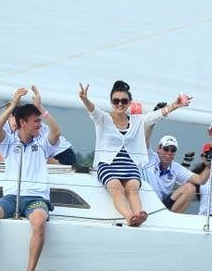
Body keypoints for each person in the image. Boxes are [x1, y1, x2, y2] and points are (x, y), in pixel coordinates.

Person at [0, 86, 60, 271]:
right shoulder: (8, 142)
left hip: (36, 198)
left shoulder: (42, 143)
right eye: (36, 121)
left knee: (39, 221)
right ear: (23, 122)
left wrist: (41, 108)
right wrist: (13, 105)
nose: (40, 125)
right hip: (11, 197)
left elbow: (56, 132)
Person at [78, 80, 189, 226]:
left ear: (130, 102)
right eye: (116, 100)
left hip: (130, 165)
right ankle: (130, 217)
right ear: (111, 102)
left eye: (124, 101)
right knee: (116, 188)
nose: (120, 104)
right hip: (107, 165)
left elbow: (156, 115)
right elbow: (92, 111)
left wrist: (174, 105)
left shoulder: (137, 120)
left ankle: (139, 214)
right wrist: (85, 99)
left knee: (132, 188)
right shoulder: (103, 118)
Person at [144, 135, 209, 213]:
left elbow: (200, 180)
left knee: (190, 188)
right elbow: (144, 137)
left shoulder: (175, 167)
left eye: (173, 150)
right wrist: (151, 123)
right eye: (166, 149)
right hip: (143, 203)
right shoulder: (149, 157)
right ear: (158, 149)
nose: (169, 153)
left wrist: (210, 164)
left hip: (161, 206)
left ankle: (171, 219)